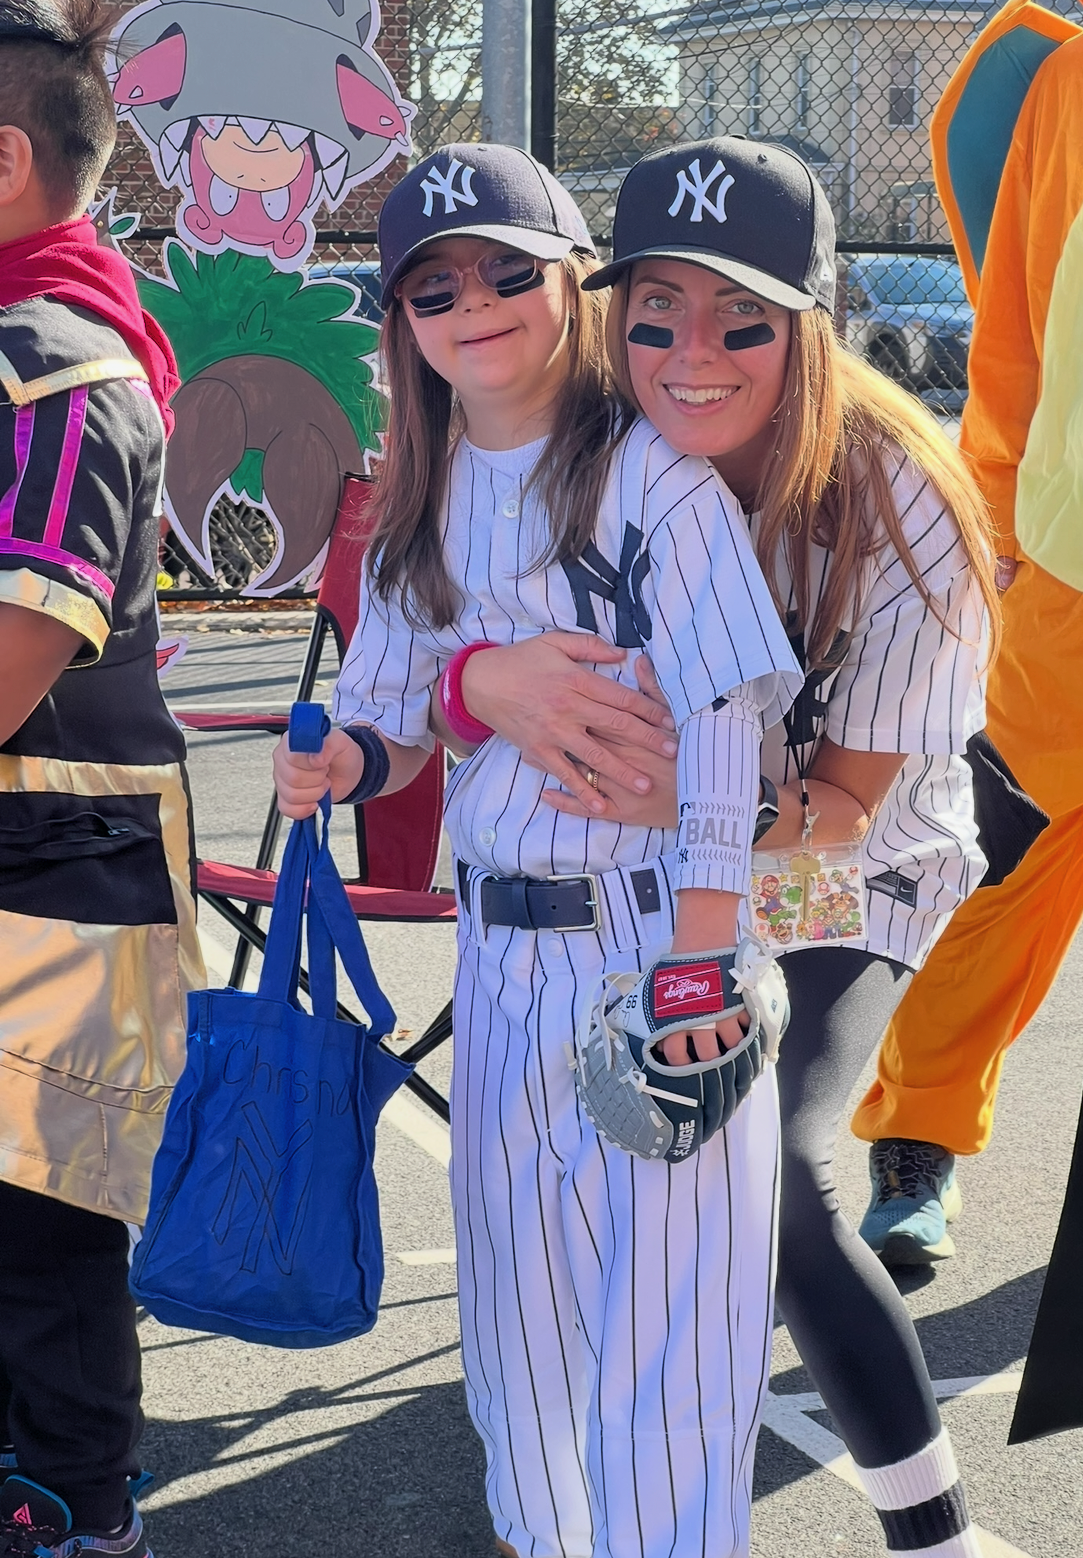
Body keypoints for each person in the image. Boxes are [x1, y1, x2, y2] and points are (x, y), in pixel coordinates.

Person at [430, 137, 998, 1558]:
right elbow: (435, 639)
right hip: (637, 870)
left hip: (836, 868)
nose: (692, 355)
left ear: (807, 328)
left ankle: (924, 1523)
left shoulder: (898, 501)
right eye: (653, 315)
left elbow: (846, 807)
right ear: (604, 314)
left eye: (742, 321)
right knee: (570, 1198)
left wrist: (691, 806)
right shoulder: (564, 443)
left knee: (778, 1179)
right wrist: (476, 684)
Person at [271, 141, 806, 1558]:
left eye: (511, 270)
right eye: (434, 284)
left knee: (674, 1354)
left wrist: (701, 958)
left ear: (572, 283)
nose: (475, 302)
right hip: (500, 948)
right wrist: (346, 757)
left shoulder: (653, 478)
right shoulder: (409, 498)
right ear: (401, 321)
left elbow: (720, 724)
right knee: (520, 1330)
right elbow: (394, 727)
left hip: (651, 944)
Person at [845, 0, 1083, 1260]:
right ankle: (919, 1136)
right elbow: (1015, 322)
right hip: (1073, 585)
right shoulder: (1060, 80)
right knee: (984, 875)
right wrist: (994, 519)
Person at [0, 3, 205, 1554]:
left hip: (58, 890)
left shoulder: (52, 373)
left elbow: (12, 658)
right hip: (43, 872)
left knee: (37, 1242)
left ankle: (75, 1518)